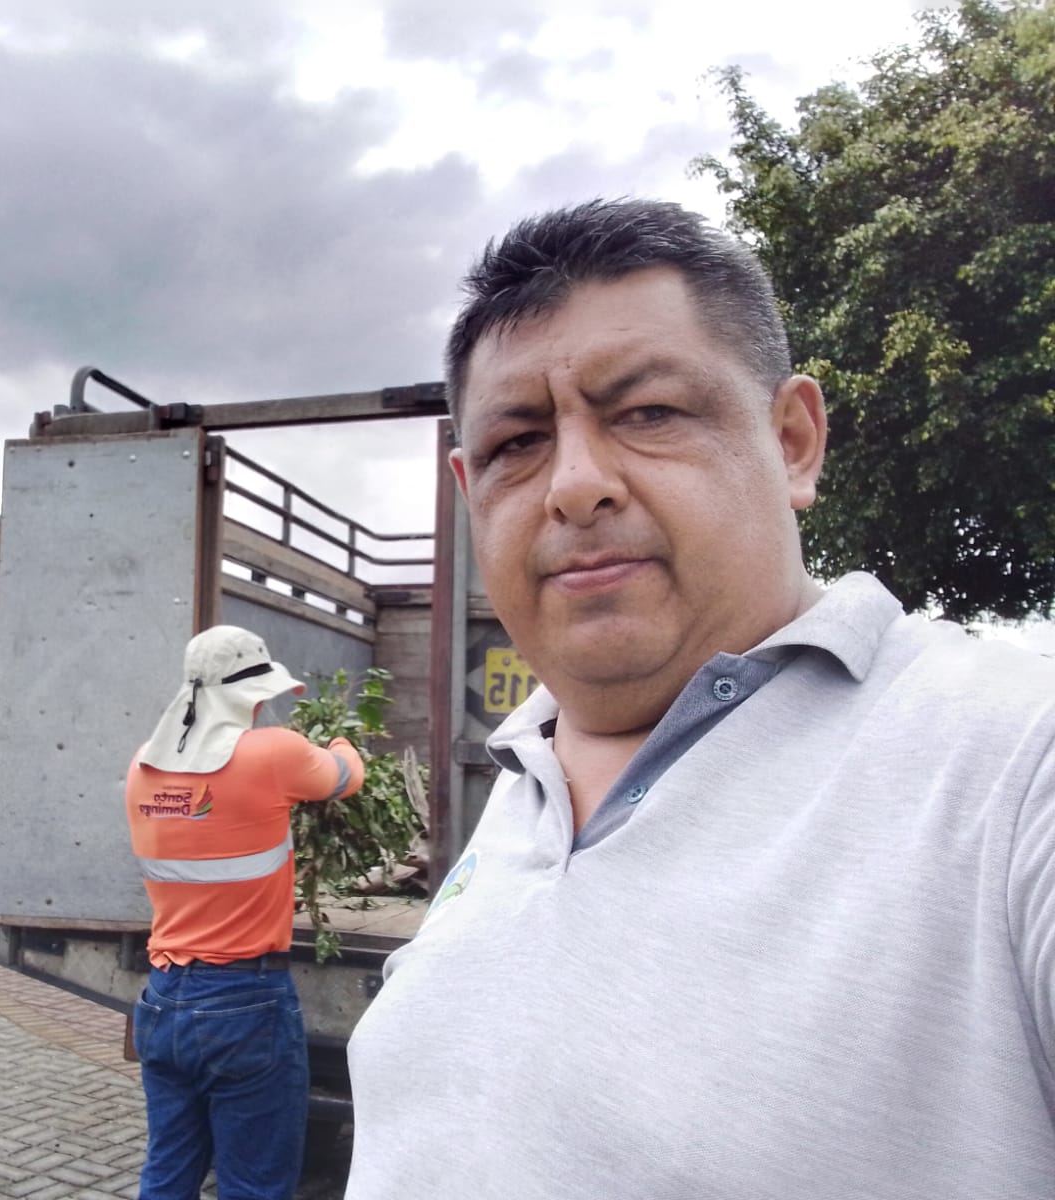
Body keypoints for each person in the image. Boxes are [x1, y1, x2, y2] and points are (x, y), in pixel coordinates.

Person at [344, 198, 1055, 1199]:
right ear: (472, 494)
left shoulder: (1013, 767)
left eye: (648, 414)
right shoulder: (528, 775)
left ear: (793, 440)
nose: (573, 485)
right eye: (517, 442)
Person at [126, 625, 365, 1200]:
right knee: (254, 1185)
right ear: (249, 697)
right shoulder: (273, 753)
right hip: (244, 1007)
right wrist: (338, 741)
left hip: (163, 1001)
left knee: (166, 1174)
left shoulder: (142, 768)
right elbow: (347, 777)